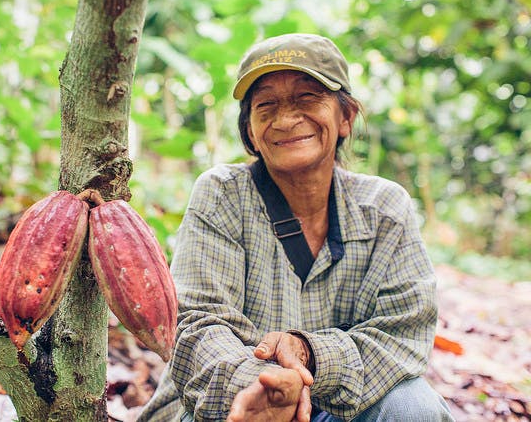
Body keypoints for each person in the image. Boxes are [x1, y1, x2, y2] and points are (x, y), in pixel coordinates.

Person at [136, 33, 454, 422]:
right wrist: (262, 385)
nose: (285, 119)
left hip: (342, 406)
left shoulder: (386, 208)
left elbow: (403, 334)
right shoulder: (222, 194)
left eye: (307, 98)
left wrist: (309, 356)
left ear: (346, 118)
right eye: (266, 105)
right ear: (251, 132)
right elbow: (198, 323)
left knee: (414, 408)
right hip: (230, 404)